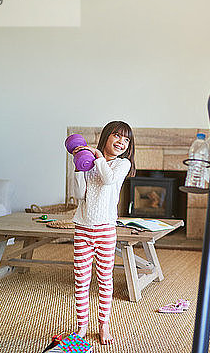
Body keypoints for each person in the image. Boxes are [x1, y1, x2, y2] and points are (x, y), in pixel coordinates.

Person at [70, 121, 136, 345]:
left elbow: (107, 179)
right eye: (117, 136)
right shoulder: (90, 164)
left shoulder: (122, 164)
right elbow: (79, 194)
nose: (121, 142)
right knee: (81, 280)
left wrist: (97, 157)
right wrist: (79, 166)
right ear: (106, 137)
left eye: (126, 140)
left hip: (106, 229)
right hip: (83, 228)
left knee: (105, 280)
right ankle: (81, 326)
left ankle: (103, 325)